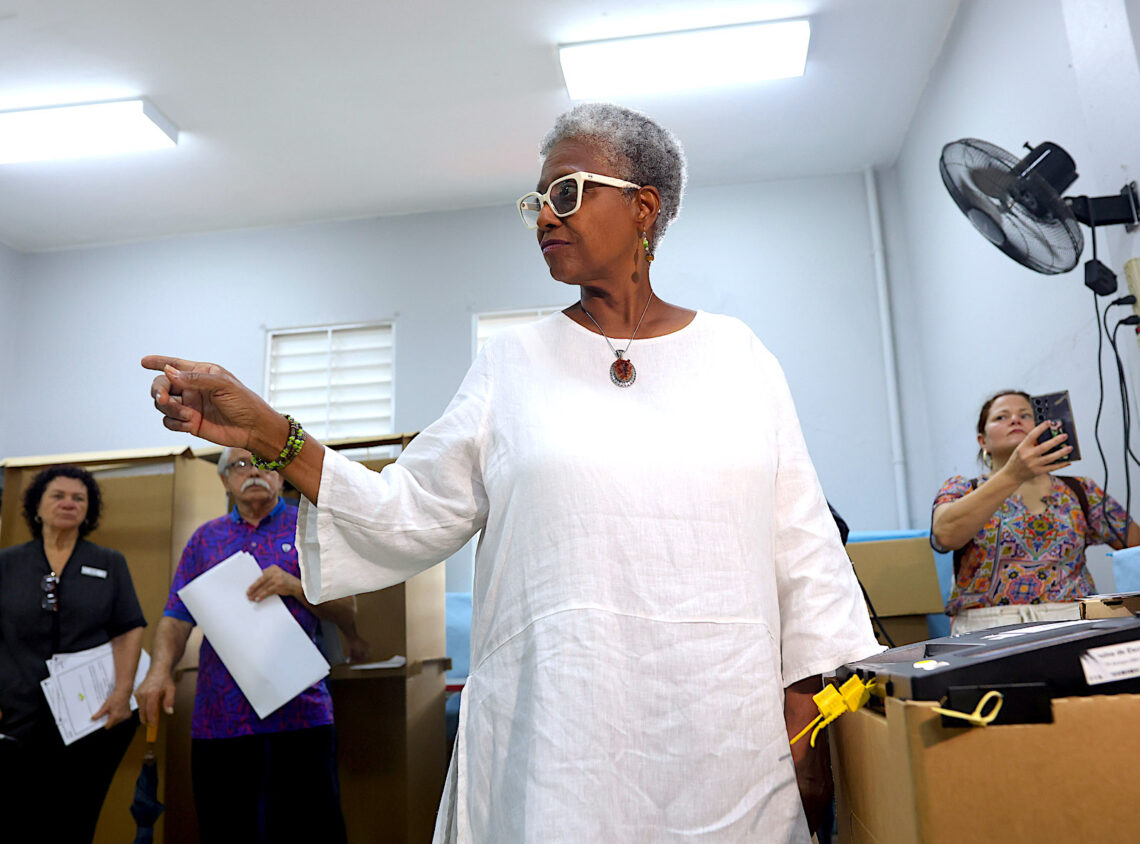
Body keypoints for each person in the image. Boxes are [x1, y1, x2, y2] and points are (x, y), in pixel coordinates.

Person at [142, 103, 880, 842]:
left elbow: (805, 552)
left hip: (727, 740)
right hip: (559, 741)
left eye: (567, 192)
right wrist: (268, 431)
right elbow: (405, 510)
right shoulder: (511, 365)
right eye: (536, 202)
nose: (543, 218)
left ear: (643, 207)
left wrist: (810, 716)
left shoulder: (738, 358)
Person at [133, 447, 367, 844]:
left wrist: (297, 588)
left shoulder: (307, 530)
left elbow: (349, 611)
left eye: (264, 463)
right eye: (239, 465)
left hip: (300, 710)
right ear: (224, 480)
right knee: (227, 827)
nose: (253, 471)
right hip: (221, 716)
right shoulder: (205, 539)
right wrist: (159, 671)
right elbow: (176, 614)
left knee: (310, 826)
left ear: (281, 476)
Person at [0, 465, 146, 843]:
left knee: (76, 818)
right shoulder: (8, 563)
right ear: (37, 507)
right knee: (19, 818)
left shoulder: (109, 562)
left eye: (78, 498)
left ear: (88, 509)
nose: (69, 503)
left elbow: (130, 627)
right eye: (58, 496)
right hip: (18, 715)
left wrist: (122, 693)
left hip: (92, 715)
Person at [931, 389, 1140, 634]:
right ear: (982, 440)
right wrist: (1012, 475)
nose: (1015, 420)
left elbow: (1135, 546)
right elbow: (945, 535)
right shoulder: (961, 488)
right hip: (986, 631)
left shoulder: (1081, 490)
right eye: (1001, 417)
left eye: (1025, 415)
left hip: (1073, 625)